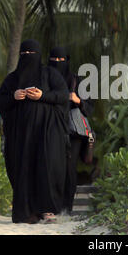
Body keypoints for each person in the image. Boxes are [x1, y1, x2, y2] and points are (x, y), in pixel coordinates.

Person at [0, 39, 70, 224]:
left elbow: (62, 95)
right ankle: (26, 211)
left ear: (39, 56)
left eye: (32, 54)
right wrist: (14, 96)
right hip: (20, 136)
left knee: (47, 166)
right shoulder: (12, 79)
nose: (28, 57)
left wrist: (42, 96)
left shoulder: (50, 74)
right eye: (24, 54)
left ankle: (47, 210)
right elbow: (1, 99)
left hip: (47, 133)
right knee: (22, 168)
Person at [48, 46, 94, 215]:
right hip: (51, 130)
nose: (58, 64)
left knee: (69, 168)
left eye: (62, 61)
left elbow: (89, 108)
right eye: (54, 60)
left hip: (73, 133)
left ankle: (67, 208)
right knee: (52, 167)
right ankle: (52, 206)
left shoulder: (77, 81)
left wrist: (77, 100)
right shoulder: (45, 78)